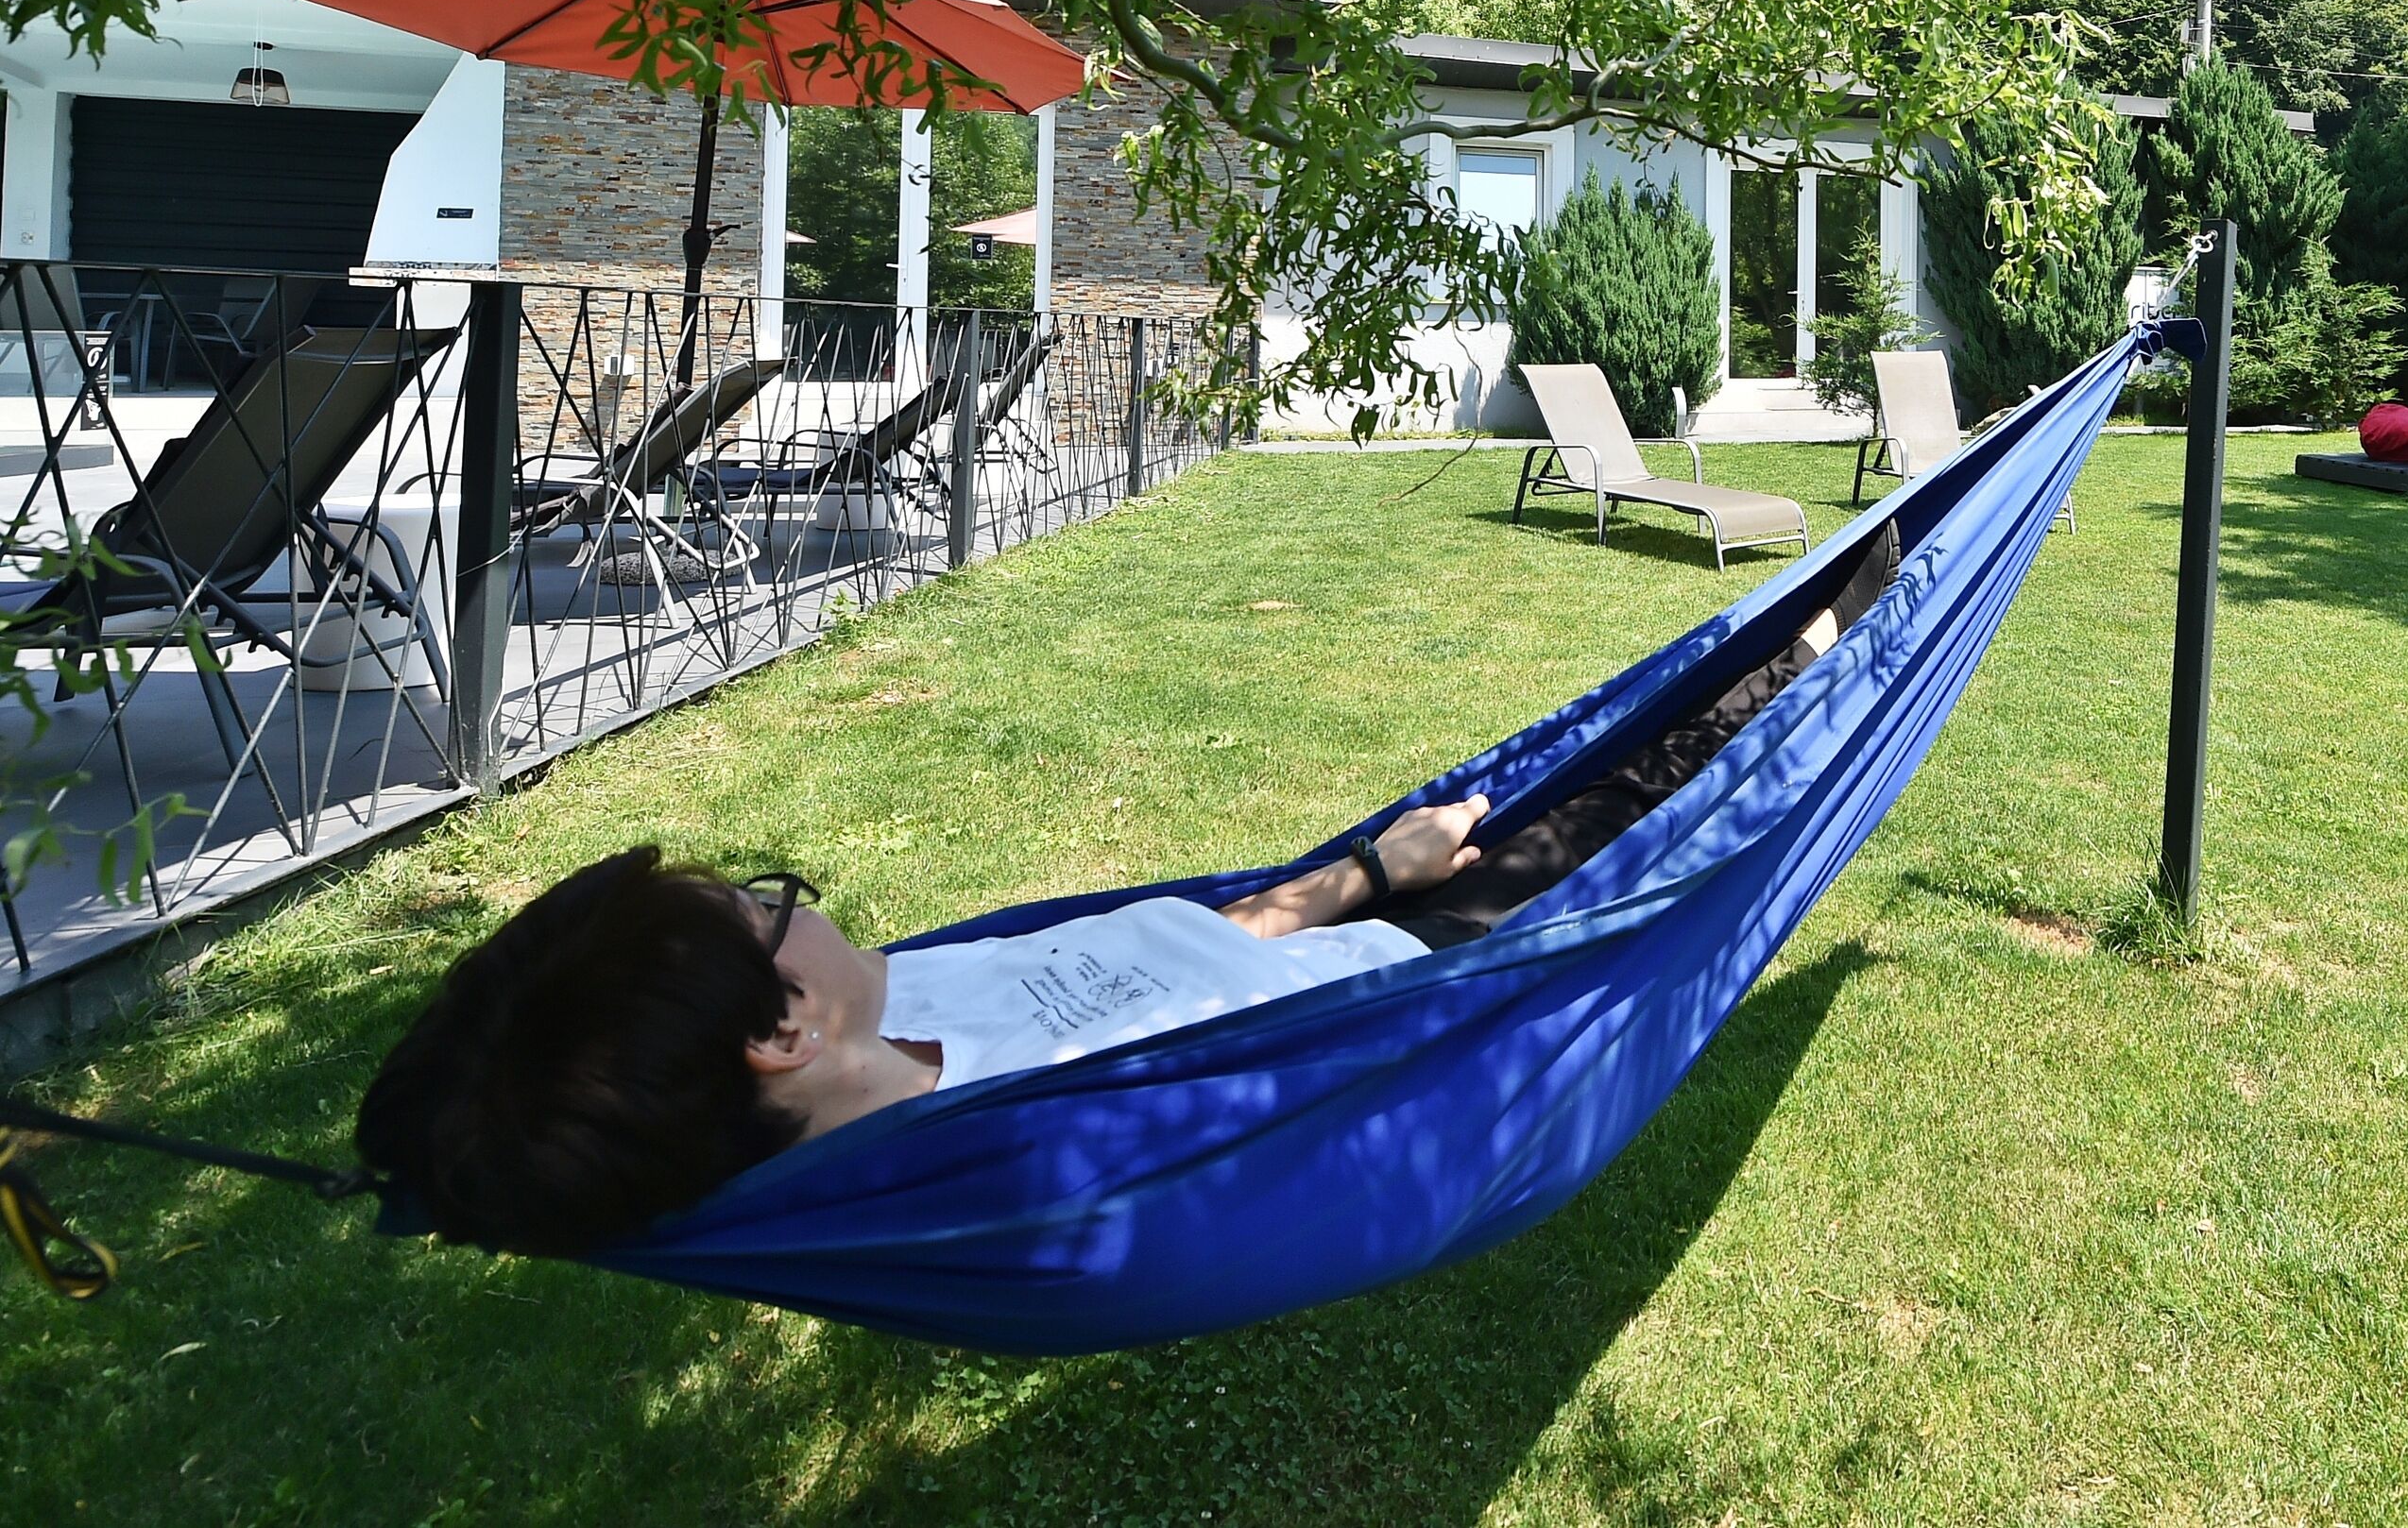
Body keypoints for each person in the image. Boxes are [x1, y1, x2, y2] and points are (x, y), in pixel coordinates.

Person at [355, 525, 1899, 1256]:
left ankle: (1816, 639)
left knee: (1574, 785)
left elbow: (1197, 948)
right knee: (1643, 819)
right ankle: (1837, 654)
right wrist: (1399, 926)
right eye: (767, 908)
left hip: (1368, 920)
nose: (799, 904)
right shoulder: (1016, 1173)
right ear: (781, 1025)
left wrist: (1365, 869)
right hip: (1438, 1007)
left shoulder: (901, 1006)